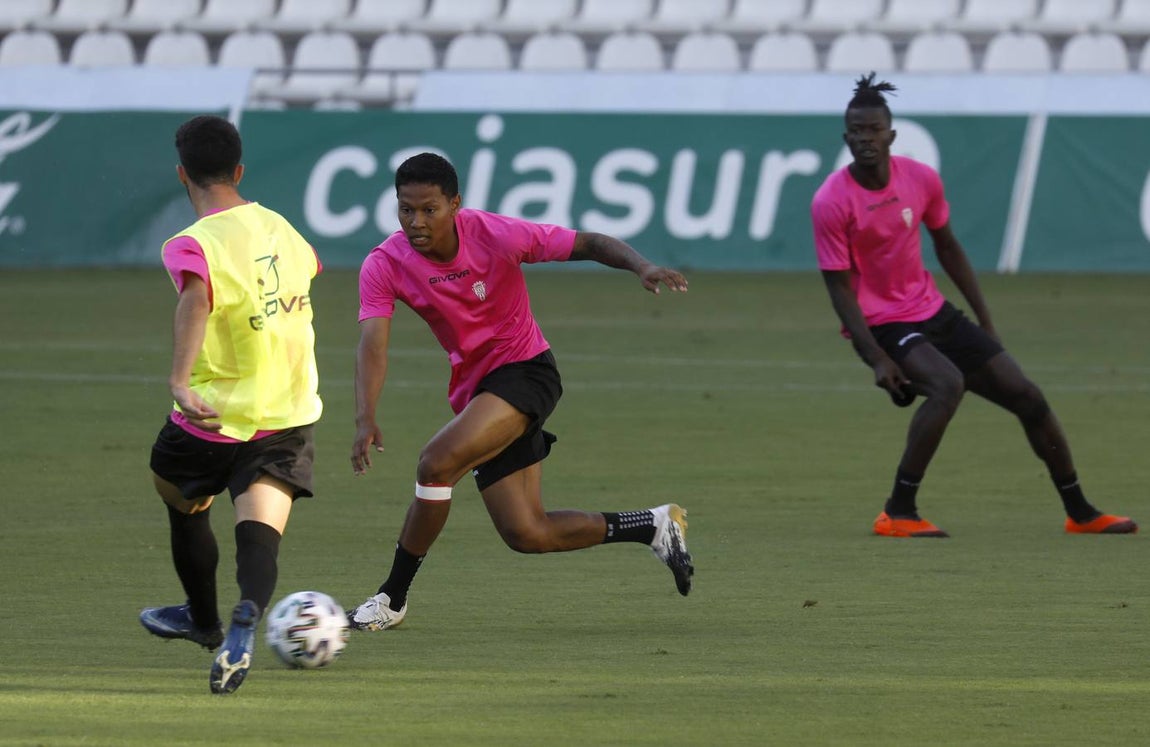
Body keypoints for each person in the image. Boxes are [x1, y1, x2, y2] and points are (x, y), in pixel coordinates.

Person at [346, 152, 693, 631]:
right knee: (527, 532)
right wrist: (366, 415)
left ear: (455, 204)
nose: (416, 221)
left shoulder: (494, 234)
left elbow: (588, 242)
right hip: (478, 391)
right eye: (406, 209)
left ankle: (392, 597)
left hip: (526, 372)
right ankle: (654, 526)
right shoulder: (385, 263)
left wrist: (642, 266)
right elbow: (373, 343)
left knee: (435, 463)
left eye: (429, 209)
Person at [811, 73, 1137, 538]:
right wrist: (876, 358)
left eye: (874, 130)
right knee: (947, 384)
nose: (865, 140)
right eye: (856, 132)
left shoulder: (921, 179)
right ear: (846, 138)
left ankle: (1080, 512)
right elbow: (840, 289)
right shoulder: (831, 201)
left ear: (891, 134)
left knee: (1028, 396)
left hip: (931, 309)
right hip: (882, 322)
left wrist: (985, 323)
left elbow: (947, 247)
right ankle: (898, 512)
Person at [138, 115, 324, 694]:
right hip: (287, 412)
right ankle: (246, 618)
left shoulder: (193, 243)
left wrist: (179, 382)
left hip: (213, 416)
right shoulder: (283, 228)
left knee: (180, 499)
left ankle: (202, 619)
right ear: (240, 171)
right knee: (259, 531)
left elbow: (196, 298)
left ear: (181, 175)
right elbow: (307, 274)